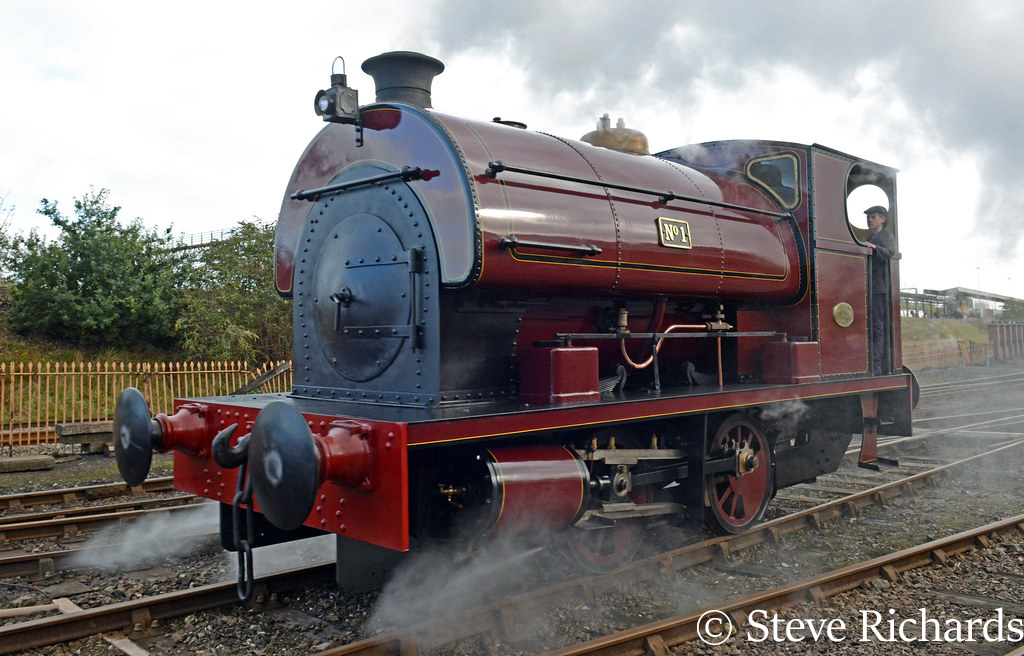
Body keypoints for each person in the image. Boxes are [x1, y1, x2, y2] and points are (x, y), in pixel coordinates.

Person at [864, 205, 897, 374]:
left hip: (879, 288)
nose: (870, 220)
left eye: (873, 217)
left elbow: (890, 251)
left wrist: (874, 248)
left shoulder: (886, 236)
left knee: (877, 326)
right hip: (869, 287)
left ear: (883, 219)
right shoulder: (871, 237)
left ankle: (876, 364)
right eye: (868, 217)